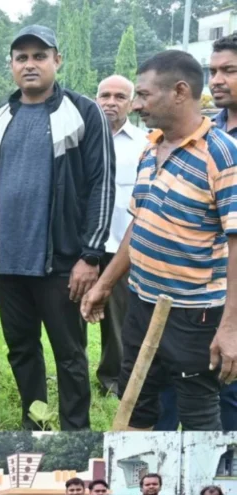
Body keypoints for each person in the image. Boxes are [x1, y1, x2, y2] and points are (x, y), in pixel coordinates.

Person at [0, 25, 115, 431]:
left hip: (63, 261)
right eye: (22, 57)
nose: (30, 64)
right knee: (21, 349)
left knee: (69, 353)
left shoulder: (84, 113)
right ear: (12, 65)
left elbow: (103, 183)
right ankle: (36, 423)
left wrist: (90, 255)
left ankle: (75, 428)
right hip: (7, 260)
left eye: (39, 56)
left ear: (56, 60)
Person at [82, 50, 237, 431]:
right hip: (141, 300)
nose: (136, 105)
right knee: (136, 398)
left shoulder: (222, 155)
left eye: (144, 95)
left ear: (180, 92)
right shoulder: (151, 147)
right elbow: (141, 221)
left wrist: (230, 327)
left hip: (194, 313)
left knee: (199, 414)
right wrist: (105, 284)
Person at [156, 34, 237, 431]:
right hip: (194, 297)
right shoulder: (204, 132)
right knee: (178, 386)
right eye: (214, 70)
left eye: (229, 70)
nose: (217, 80)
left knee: (226, 396)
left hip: (230, 298)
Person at [94, 75, 149, 398]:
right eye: (105, 95)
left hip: (121, 247)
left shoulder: (145, 144)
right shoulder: (81, 138)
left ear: (131, 103)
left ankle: (114, 377)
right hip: (82, 248)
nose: (111, 102)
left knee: (119, 321)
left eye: (119, 96)